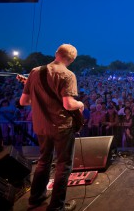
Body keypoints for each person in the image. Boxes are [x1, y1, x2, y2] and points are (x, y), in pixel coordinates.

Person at [19, 44, 84, 211]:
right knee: (63, 165)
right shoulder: (68, 75)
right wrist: (80, 103)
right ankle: (56, 207)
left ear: (56, 53)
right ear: (72, 59)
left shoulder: (35, 71)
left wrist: (41, 102)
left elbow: (23, 102)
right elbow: (68, 104)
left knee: (43, 161)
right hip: (61, 126)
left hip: (41, 125)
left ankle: (36, 198)